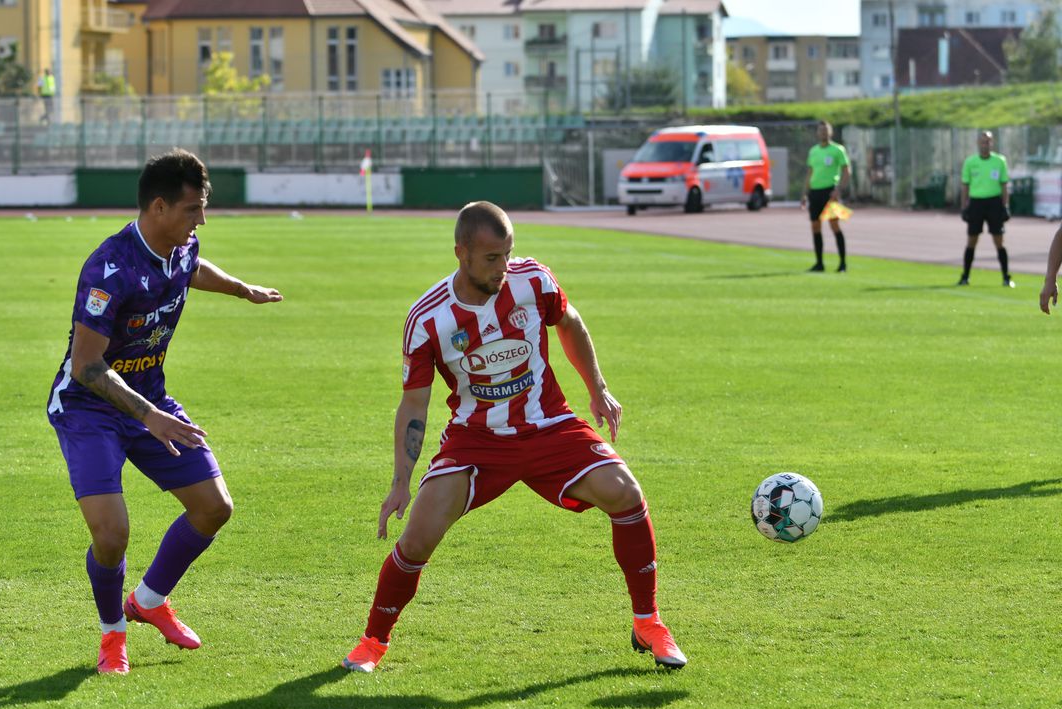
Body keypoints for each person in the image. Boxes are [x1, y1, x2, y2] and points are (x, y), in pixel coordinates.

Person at [340, 201, 686, 674]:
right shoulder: (428, 319)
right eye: (491, 258)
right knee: (416, 539)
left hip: (549, 425)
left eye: (507, 254)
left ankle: (648, 623)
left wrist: (598, 389)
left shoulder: (532, 280)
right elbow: (414, 405)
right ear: (461, 253)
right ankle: (372, 643)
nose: (503, 267)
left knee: (626, 493)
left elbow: (570, 322)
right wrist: (401, 482)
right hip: (476, 440)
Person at [46, 149, 283, 674]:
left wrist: (241, 290)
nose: (202, 220)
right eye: (193, 209)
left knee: (214, 507)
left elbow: (190, 268)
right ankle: (113, 633)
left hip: (148, 398)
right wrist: (149, 416)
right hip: (89, 408)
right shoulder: (108, 269)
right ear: (158, 207)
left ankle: (149, 601)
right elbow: (86, 366)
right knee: (111, 536)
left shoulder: (181, 245)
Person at [959, 131, 1013, 287]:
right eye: (983, 142)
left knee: (999, 240)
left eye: (988, 141)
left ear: (992, 143)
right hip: (976, 203)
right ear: (978, 143)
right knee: (972, 240)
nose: (985, 144)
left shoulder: (1000, 161)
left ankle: (1006, 278)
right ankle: (965, 277)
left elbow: (1004, 185)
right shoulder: (970, 162)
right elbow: (965, 186)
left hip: (994, 203)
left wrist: (1005, 206)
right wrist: (964, 207)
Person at [801, 120, 851, 273]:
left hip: (830, 193)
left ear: (830, 132)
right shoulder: (813, 151)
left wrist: (839, 189)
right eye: (820, 130)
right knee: (815, 226)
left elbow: (846, 171)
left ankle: (842, 264)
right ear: (817, 133)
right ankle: (819, 264)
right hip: (815, 192)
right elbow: (810, 173)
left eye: (825, 130)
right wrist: (805, 193)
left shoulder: (838, 150)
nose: (823, 133)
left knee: (834, 225)